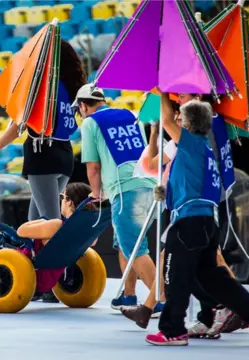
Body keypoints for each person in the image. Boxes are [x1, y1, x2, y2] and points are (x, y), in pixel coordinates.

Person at [145, 93, 249, 346]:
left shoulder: (191, 143)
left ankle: (172, 330)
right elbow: (191, 184)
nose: (177, 118)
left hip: (189, 222)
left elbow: (166, 120)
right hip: (206, 222)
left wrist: (160, 89)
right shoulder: (203, 150)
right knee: (210, 277)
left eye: (181, 116)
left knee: (175, 274)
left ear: (188, 124)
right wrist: (166, 193)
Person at [0, 40, 86, 302]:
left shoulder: (42, 88)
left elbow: (19, 124)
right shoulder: (70, 88)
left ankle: (54, 284)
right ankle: (32, 278)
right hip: (64, 155)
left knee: (50, 223)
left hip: (42, 154)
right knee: (34, 225)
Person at [74, 84, 161, 312]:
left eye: (79, 109)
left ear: (84, 105)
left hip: (125, 192)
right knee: (124, 243)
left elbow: (93, 167)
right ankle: (129, 295)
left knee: (135, 248)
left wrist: (96, 193)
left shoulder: (90, 123)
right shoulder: (130, 114)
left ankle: (160, 300)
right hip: (150, 187)